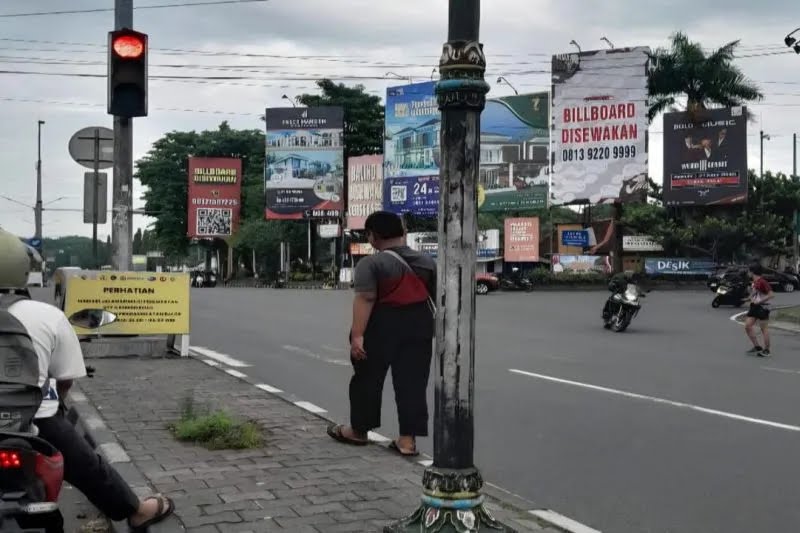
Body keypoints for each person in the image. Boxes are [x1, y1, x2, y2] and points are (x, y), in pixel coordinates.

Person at [0, 228, 174, 531]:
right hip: (30, 422)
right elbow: (65, 381)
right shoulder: (46, 315)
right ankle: (136, 510)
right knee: (86, 464)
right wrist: (55, 407)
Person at [327, 211, 436, 457]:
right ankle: (407, 441)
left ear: (372, 237)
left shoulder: (372, 264)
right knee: (413, 384)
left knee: (367, 378)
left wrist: (357, 337)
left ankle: (358, 431)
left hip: (382, 327)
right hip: (419, 327)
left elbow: (365, 299)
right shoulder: (427, 262)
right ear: (403, 233)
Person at [744, 264, 774, 357]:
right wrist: (748, 298)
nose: (748, 273)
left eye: (749, 271)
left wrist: (759, 302)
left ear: (752, 272)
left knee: (763, 328)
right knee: (747, 326)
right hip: (754, 306)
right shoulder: (755, 282)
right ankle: (757, 346)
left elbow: (771, 295)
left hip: (763, 307)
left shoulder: (762, 282)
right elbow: (755, 293)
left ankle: (767, 350)